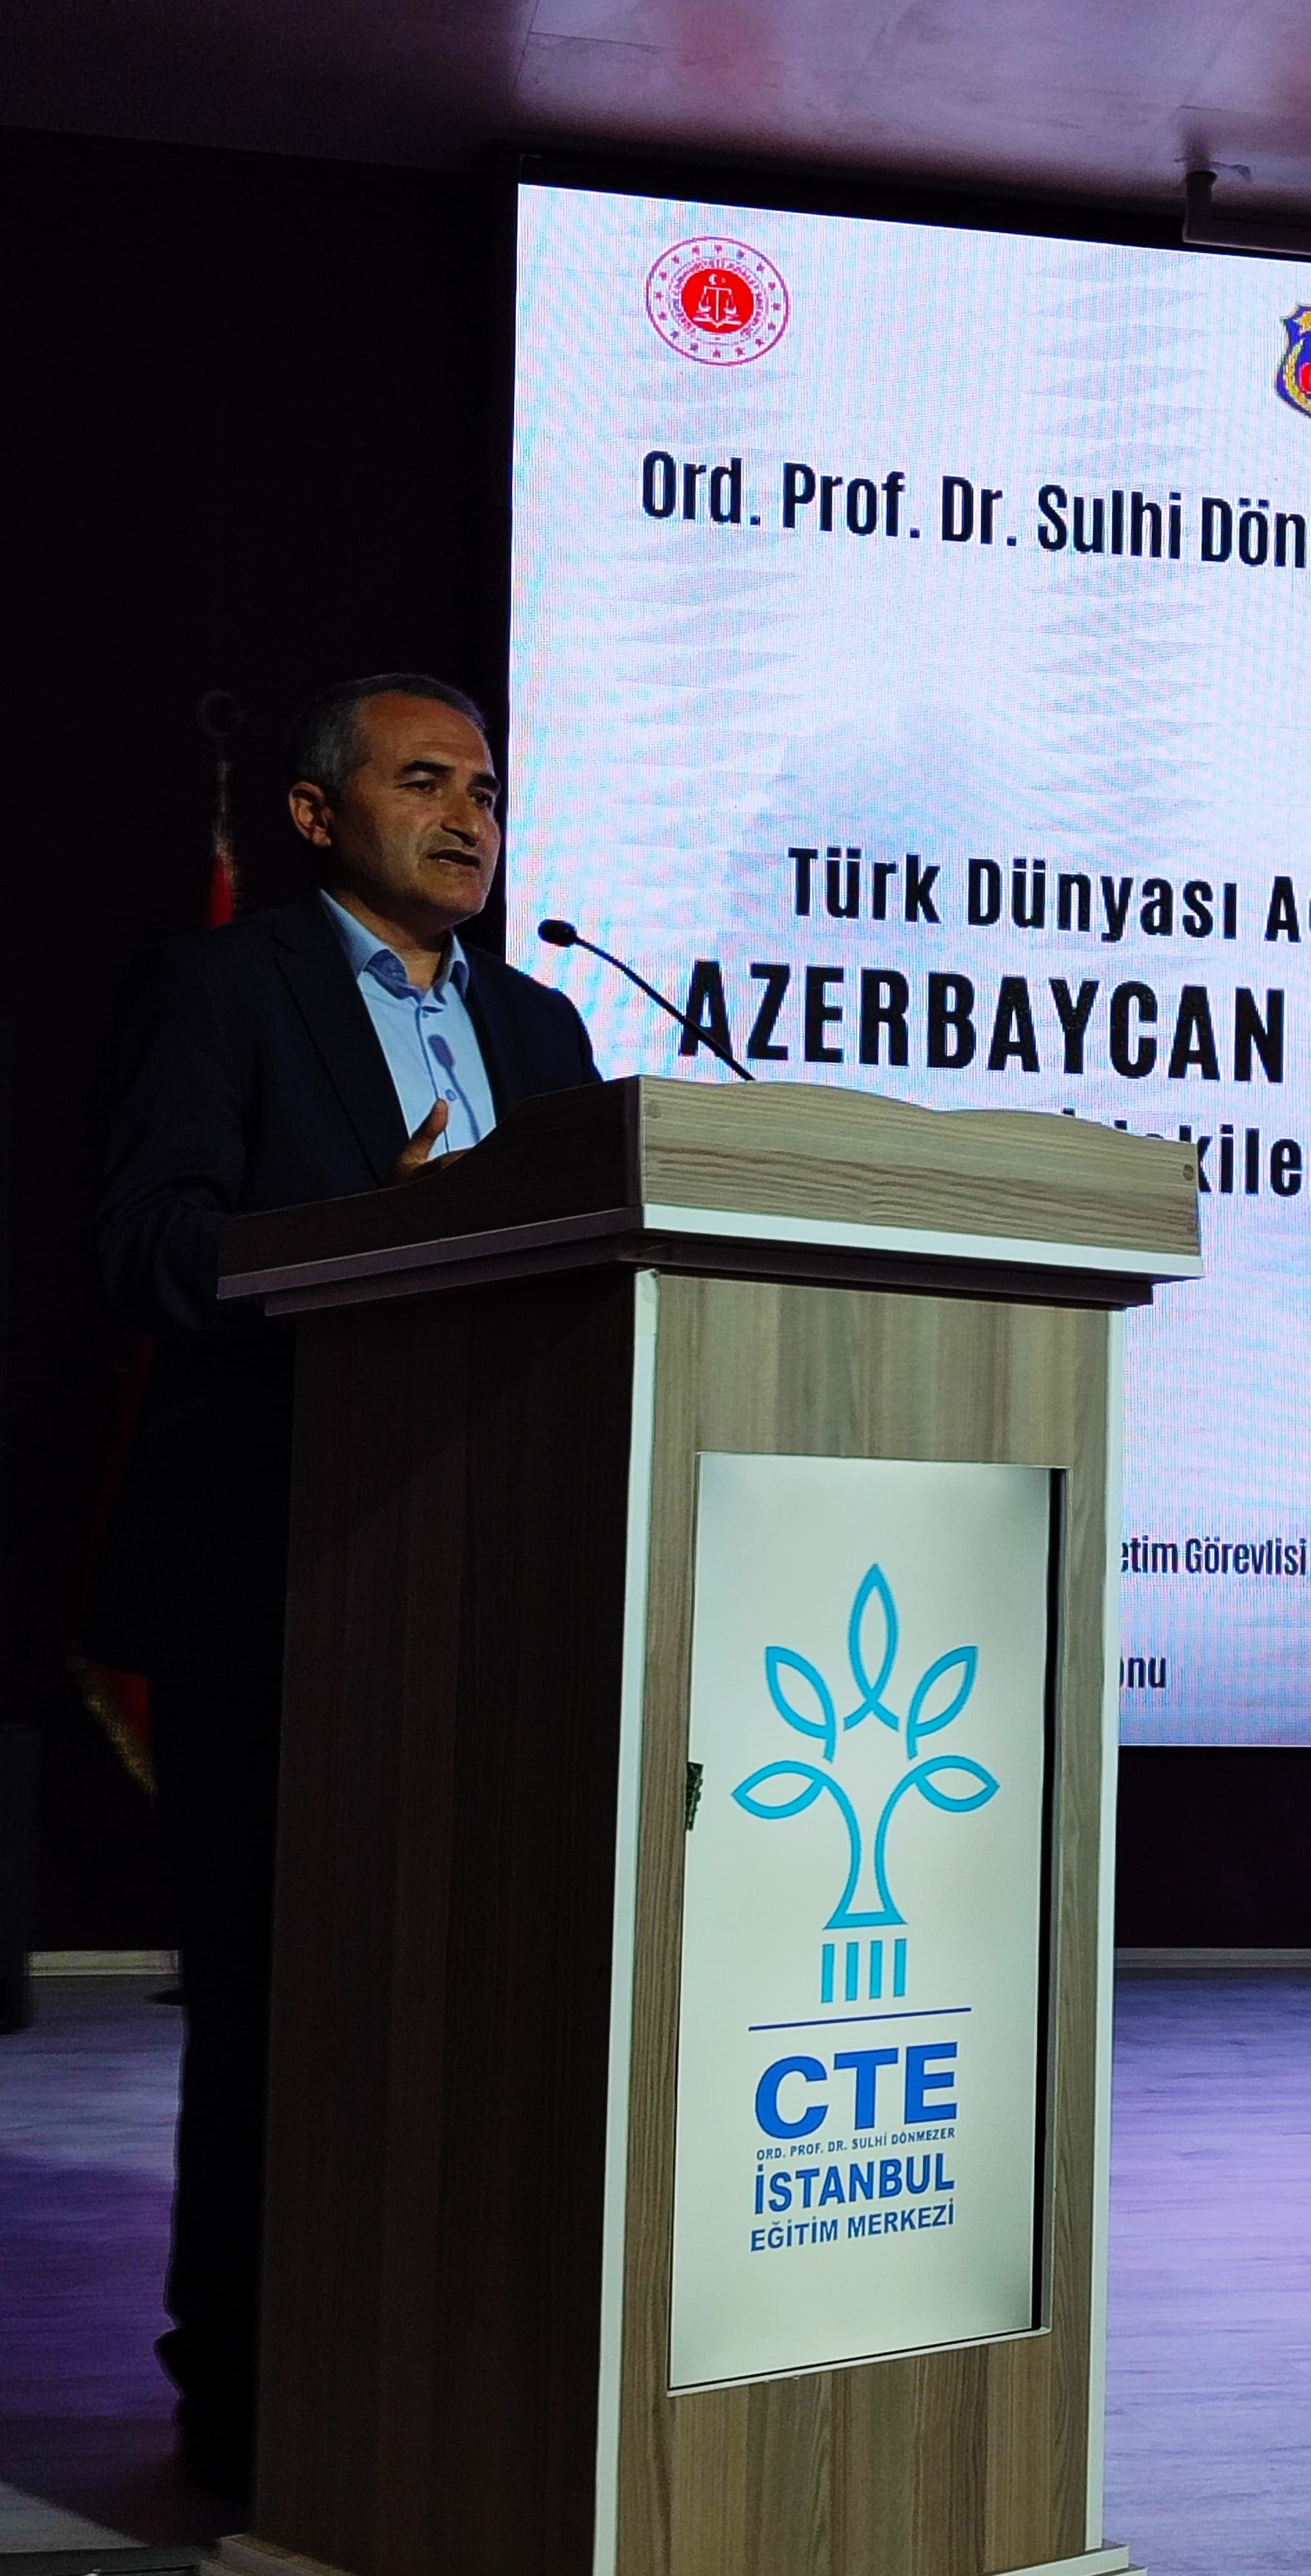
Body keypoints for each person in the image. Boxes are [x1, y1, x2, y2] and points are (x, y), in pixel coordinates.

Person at [90, 675, 598, 2497]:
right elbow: (149, 1248)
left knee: (491, 1997)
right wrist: (372, 1241)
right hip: (281, 1575)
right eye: (424, 781)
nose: (470, 818)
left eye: (488, 789)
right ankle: (239, 2396)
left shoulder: (541, 1024)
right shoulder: (228, 989)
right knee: (278, 1997)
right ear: (316, 816)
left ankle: (462, 2360)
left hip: (507, 1584)